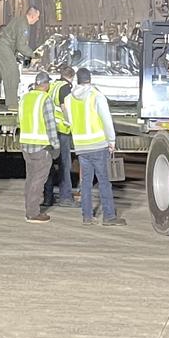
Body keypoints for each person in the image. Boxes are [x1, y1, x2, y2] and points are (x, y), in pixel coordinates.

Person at [66, 66, 122, 225]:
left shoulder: (69, 99)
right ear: (90, 80)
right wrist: (111, 140)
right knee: (104, 181)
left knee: (86, 183)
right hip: (98, 145)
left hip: (81, 147)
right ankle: (109, 217)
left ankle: (87, 216)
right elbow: (106, 120)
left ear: (77, 80)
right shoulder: (96, 96)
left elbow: (69, 120)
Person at [18, 69, 59, 222]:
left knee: (30, 179)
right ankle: (33, 213)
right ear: (46, 84)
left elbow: (19, 120)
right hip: (41, 147)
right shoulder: (45, 99)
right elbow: (50, 125)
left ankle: (29, 208)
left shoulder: (25, 98)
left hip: (26, 145)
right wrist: (55, 145)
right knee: (38, 180)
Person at [0, 4, 40, 105]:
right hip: (5, 49)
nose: (38, 19)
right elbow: (21, 45)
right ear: (32, 16)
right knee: (13, 76)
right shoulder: (24, 25)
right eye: (37, 17)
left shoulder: (19, 20)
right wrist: (33, 55)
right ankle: (12, 105)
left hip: (1, 48)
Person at [45, 62, 77, 208]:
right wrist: (71, 122)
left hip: (51, 129)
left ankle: (48, 197)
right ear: (72, 77)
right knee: (65, 164)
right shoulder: (65, 88)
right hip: (62, 131)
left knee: (50, 164)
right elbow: (65, 108)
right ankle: (66, 197)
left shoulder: (53, 86)